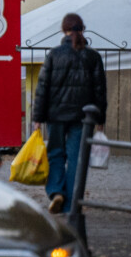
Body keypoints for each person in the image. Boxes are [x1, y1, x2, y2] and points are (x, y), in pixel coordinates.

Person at [32, 12, 108, 215]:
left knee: (56, 153)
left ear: (63, 30)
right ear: (82, 29)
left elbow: (42, 88)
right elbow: (100, 90)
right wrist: (100, 118)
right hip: (83, 117)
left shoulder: (54, 55)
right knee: (76, 158)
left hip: (55, 115)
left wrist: (38, 118)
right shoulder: (93, 57)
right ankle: (71, 204)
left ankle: (56, 191)